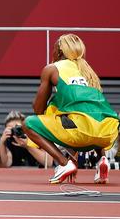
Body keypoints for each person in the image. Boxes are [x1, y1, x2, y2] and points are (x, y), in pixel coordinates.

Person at [23, 34, 119, 184]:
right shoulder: (88, 71)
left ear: (59, 51)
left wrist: (41, 103)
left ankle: (63, 164)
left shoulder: (52, 68)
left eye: (54, 48)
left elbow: (38, 109)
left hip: (81, 131)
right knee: (84, 114)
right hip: (108, 131)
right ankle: (102, 160)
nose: (52, 52)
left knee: (28, 123)